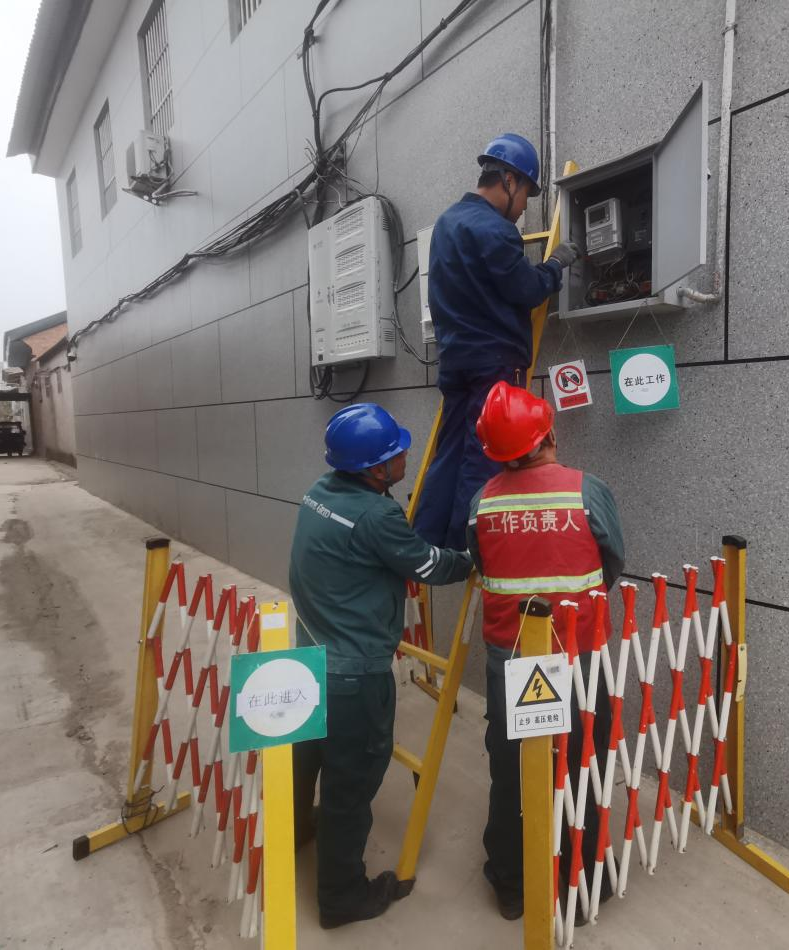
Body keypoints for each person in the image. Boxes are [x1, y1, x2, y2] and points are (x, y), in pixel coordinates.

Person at [289, 403, 473, 929]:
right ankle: (342, 897)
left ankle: (297, 828)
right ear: (375, 469)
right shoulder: (377, 516)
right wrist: (473, 558)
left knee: (307, 756)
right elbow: (429, 565)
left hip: (310, 653)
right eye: (398, 452)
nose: (406, 457)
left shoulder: (319, 492)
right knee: (351, 782)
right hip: (353, 673)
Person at [464, 381, 624, 920]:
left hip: (510, 657)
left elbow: (482, 566)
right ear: (548, 436)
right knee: (580, 762)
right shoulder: (587, 490)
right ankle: (583, 882)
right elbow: (612, 561)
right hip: (578, 653)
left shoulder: (481, 502)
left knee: (513, 768)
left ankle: (511, 884)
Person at [413, 132, 581, 550]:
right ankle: (470, 544)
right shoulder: (496, 230)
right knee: (483, 452)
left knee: (450, 452)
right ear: (509, 180)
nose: (523, 209)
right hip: (493, 362)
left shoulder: (447, 223)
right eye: (525, 195)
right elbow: (526, 289)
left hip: (455, 361)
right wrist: (555, 264)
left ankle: (428, 541)